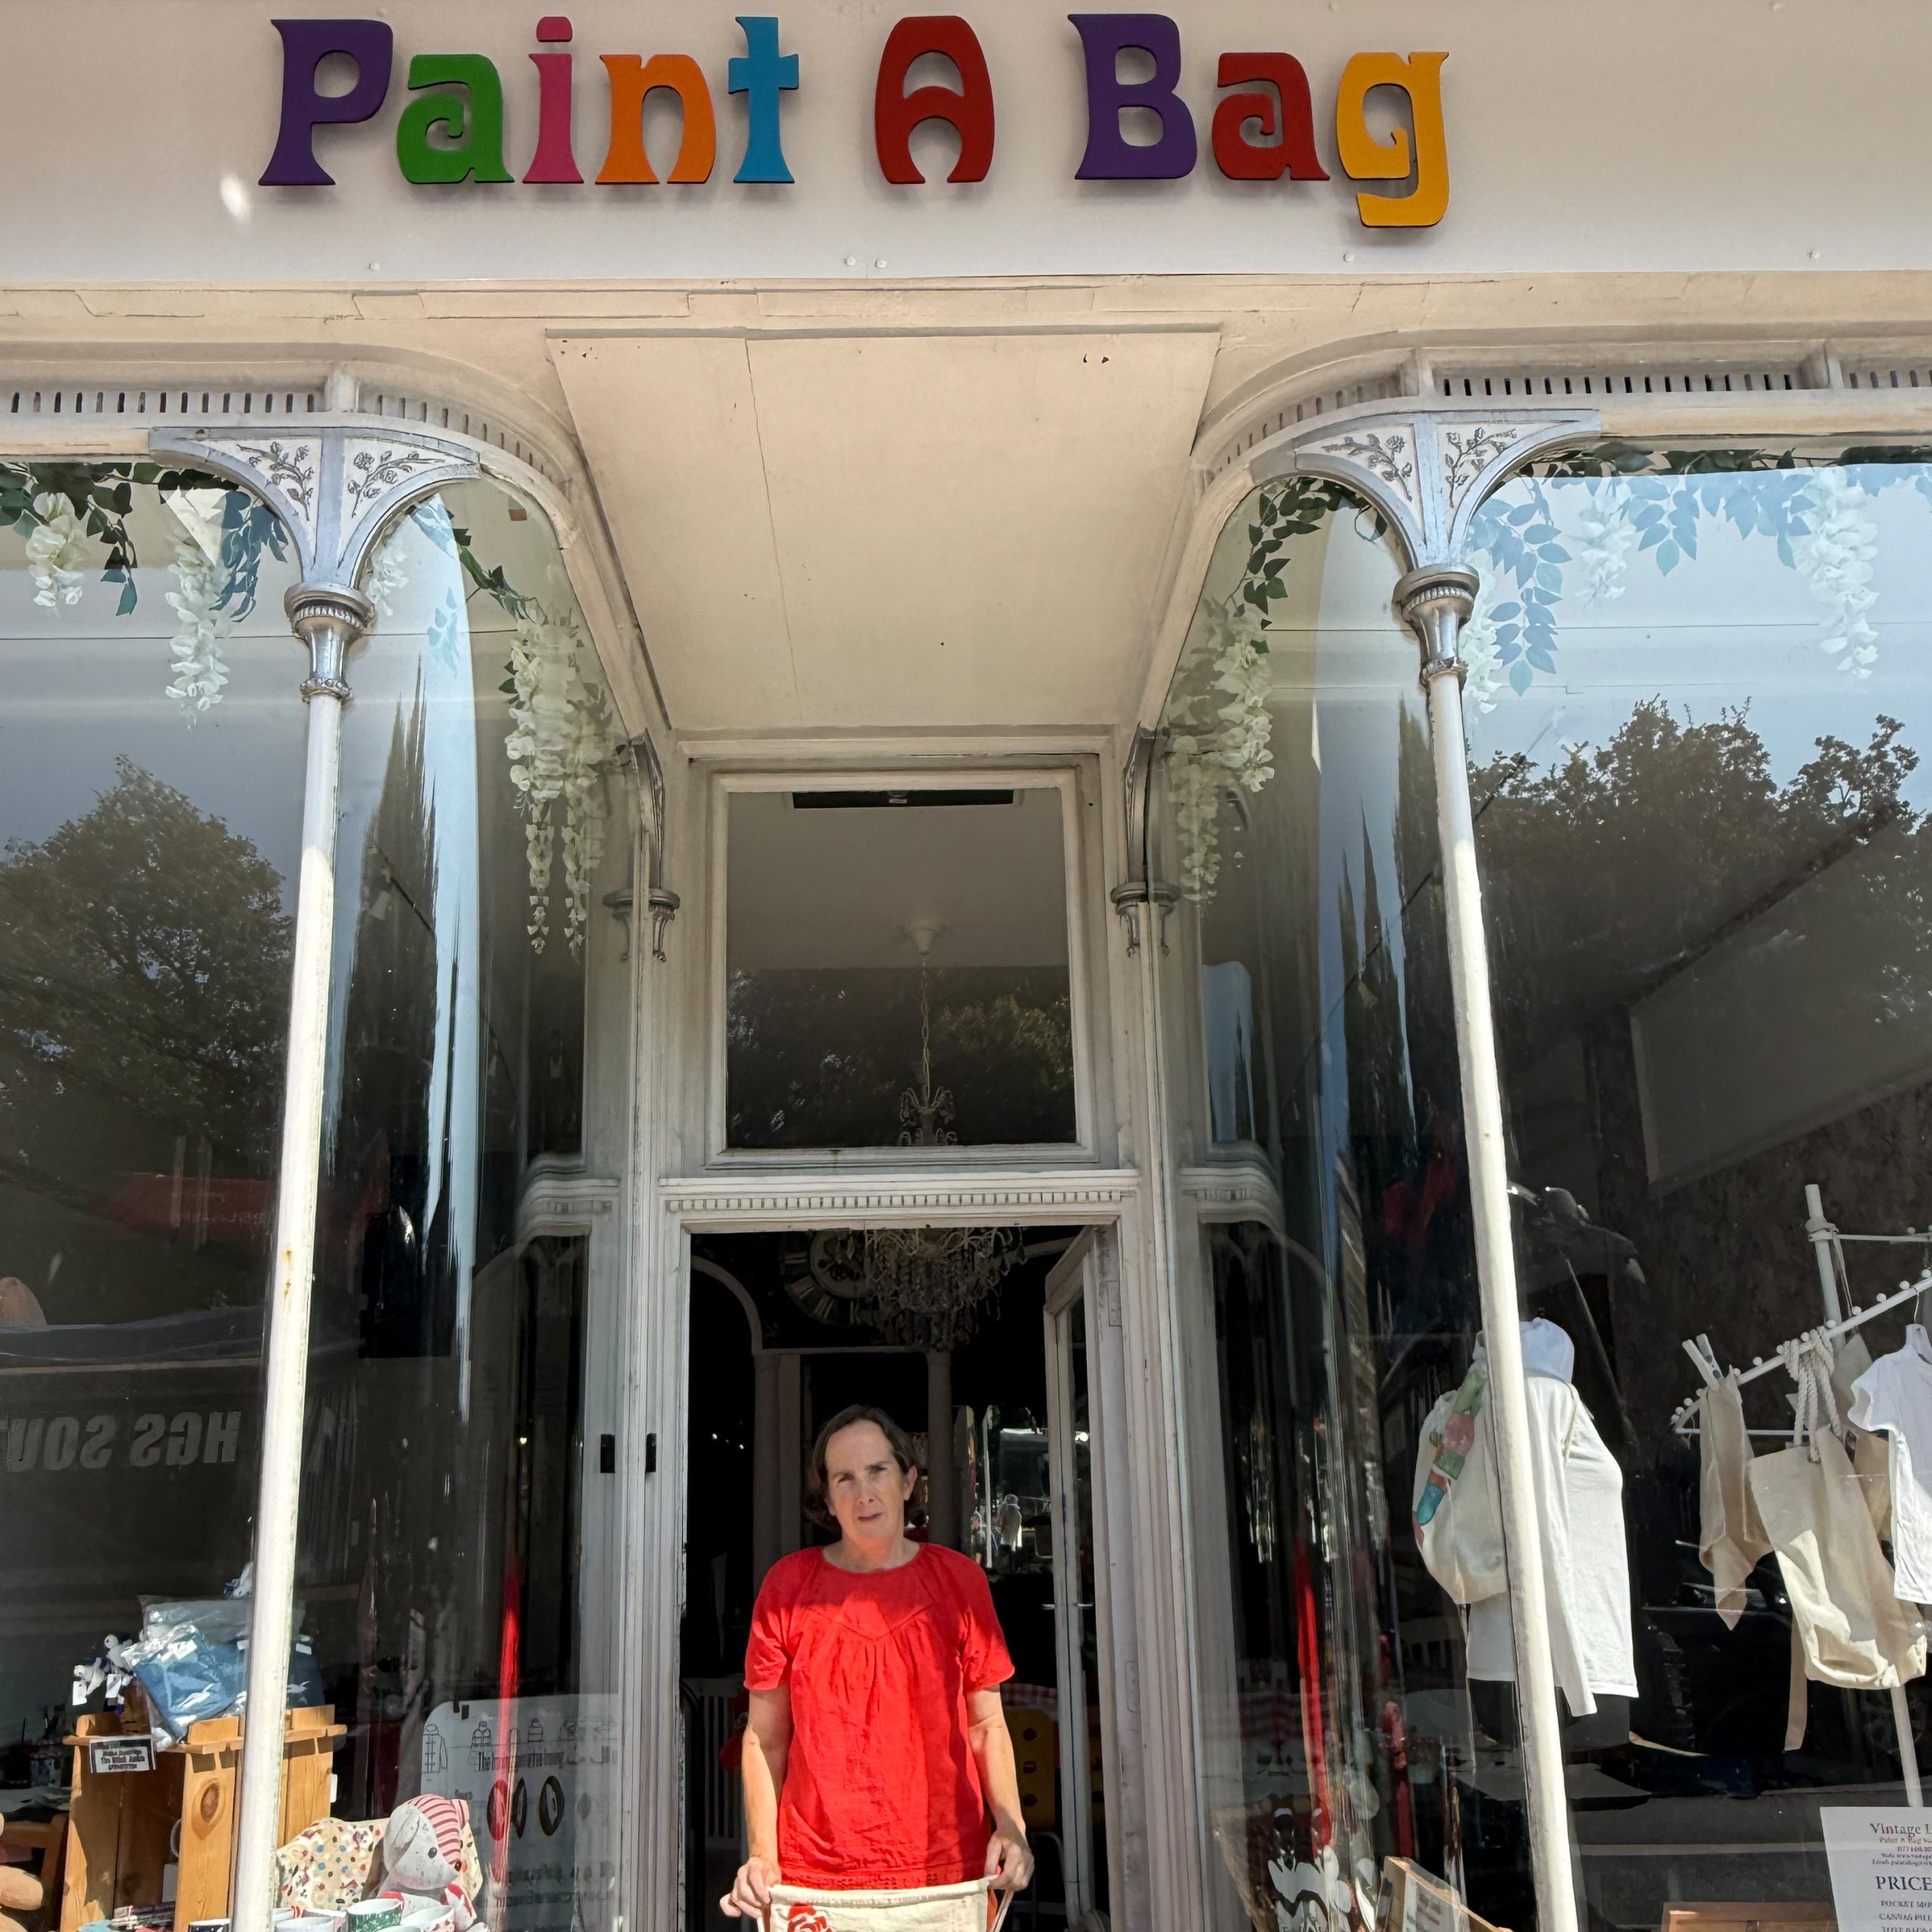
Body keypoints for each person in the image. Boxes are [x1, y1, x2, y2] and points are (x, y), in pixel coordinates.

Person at [722, 1404, 1034, 1920]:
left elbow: (986, 1724)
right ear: (826, 1497)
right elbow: (764, 1738)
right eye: (844, 1477)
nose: (862, 1492)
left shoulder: (959, 1582)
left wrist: (1011, 1826)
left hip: (947, 1878)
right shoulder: (788, 1588)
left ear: (909, 1480)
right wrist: (762, 1856)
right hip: (816, 1881)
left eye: (877, 1471)